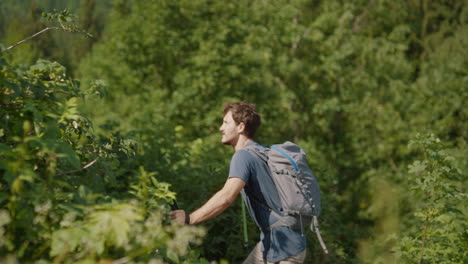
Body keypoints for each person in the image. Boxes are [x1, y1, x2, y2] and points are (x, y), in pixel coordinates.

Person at [170, 102, 307, 264]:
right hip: (276, 244)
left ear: (241, 127)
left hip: (284, 249)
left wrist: (189, 219)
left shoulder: (243, 156)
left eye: (226, 123)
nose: (221, 128)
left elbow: (227, 196)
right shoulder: (261, 152)